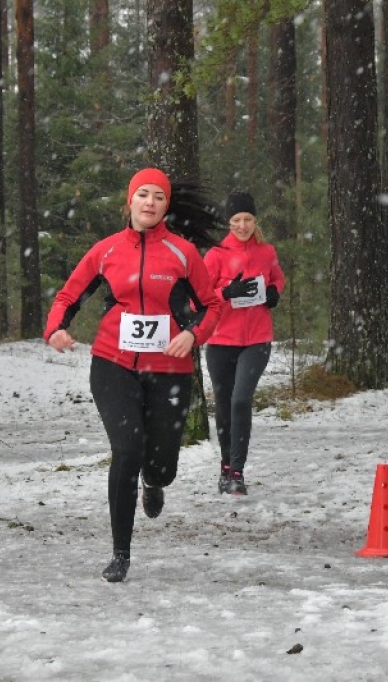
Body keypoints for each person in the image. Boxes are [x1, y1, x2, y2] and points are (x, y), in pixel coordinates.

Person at [44, 168, 224, 583]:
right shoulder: (106, 251)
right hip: (114, 364)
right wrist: (55, 328)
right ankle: (120, 554)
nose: (149, 202)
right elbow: (69, 295)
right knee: (126, 449)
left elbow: (212, 306)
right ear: (130, 202)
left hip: (169, 369)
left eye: (158, 197)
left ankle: (154, 480)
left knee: (162, 465)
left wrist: (194, 334)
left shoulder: (182, 254)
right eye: (142, 195)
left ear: (166, 206)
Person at [203, 191, 285, 496]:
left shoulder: (266, 252)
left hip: (257, 339)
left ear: (255, 220)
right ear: (229, 222)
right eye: (236, 220)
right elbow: (200, 295)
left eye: (247, 219)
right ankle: (225, 467)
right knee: (224, 406)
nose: (242, 226)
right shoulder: (216, 254)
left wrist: (275, 292)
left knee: (240, 400)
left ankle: (237, 470)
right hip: (221, 340)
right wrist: (227, 291)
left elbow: (278, 279)